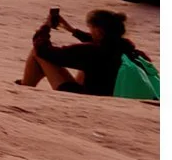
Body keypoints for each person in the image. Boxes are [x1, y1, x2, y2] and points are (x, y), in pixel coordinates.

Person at [19, 8, 151, 96]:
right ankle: (26, 86)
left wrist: (45, 28)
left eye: (91, 28)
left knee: (36, 53)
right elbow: (104, 44)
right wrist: (72, 30)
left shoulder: (92, 51)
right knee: (87, 66)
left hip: (88, 96)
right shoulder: (133, 52)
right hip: (116, 93)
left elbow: (44, 51)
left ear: (99, 30)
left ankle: (24, 90)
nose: (91, 31)